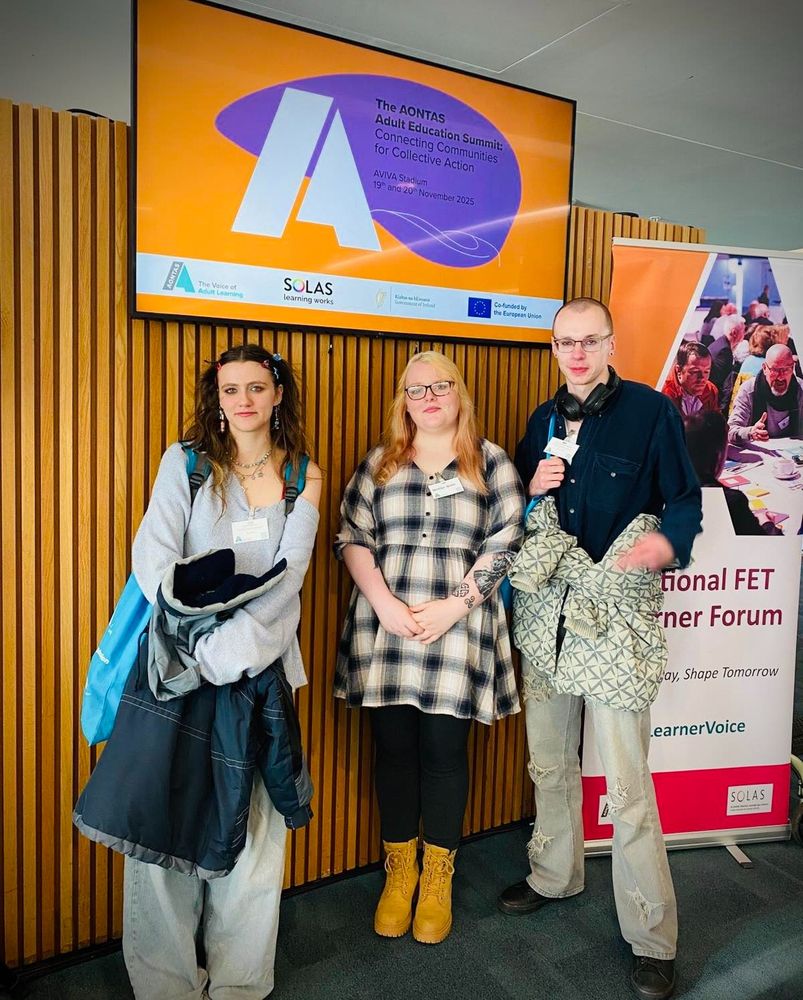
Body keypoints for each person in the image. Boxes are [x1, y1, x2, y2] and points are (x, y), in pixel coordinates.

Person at [499, 298, 701, 1000]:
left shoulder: (651, 411)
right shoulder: (541, 421)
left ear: (610, 341)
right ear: (553, 348)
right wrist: (532, 487)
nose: (577, 354)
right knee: (549, 761)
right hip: (547, 615)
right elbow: (527, 514)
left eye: (589, 341)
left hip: (612, 618)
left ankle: (651, 935)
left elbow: (684, 498)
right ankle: (554, 874)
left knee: (626, 787)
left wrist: (665, 542)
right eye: (565, 343)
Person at [122, 344, 322, 1000]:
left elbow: (288, 578)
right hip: (177, 670)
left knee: (255, 838)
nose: (243, 401)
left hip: (257, 676)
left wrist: (227, 656)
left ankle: (239, 984)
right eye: (230, 389)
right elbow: (154, 557)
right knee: (162, 828)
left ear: (277, 394)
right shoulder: (183, 464)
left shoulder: (302, 475)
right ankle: (166, 986)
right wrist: (197, 648)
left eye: (256, 388)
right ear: (216, 396)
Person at [334, 350, 524, 945]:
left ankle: (437, 876)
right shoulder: (380, 464)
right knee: (393, 751)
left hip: (458, 627)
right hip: (386, 625)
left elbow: (509, 540)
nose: (430, 397)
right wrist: (386, 605)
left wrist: (456, 604)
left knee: (443, 752)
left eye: (441, 385)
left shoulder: (490, 464)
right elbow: (351, 536)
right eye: (417, 390)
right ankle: (400, 872)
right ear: (404, 401)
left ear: (460, 393)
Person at [683, 411, 781, 535]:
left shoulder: (661, 488)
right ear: (719, 454)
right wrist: (767, 524)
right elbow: (767, 546)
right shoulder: (732, 501)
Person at [728, 343, 803, 444]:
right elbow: (730, 431)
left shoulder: (800, 389)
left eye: (786, 369)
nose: (780, 377)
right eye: (775, 370)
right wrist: (750, 433)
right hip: (760, 454)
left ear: (793, 368)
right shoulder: (749, 390)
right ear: (764, 368)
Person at [661, 341, 718, 415]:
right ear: (679, 370)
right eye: (695, 372)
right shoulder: (664, 392)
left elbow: (717, 423)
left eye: (706, 372)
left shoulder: (711, 391)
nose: (702, 379)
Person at [708, 314, 746, 411]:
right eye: (743, 331)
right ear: (734, 332)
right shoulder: (724, 351)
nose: (744, 335)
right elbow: (723, 382)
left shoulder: (720, 342)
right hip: (713, 399)